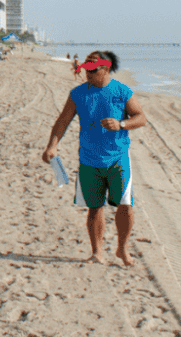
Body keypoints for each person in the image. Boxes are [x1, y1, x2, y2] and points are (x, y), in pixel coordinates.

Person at [41, 50, 147, 266]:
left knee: (125, 205)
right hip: (89, 159)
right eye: (86, 69)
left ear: (105, 69)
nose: (87, 73)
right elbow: (63, 121)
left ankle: (122, 248)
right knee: (95, 207)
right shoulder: (78, 94)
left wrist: (121, 124)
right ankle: (97, 252)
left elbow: (141, 117)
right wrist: (52, 146)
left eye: (92, 70)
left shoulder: (122, 91)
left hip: (118, 158)